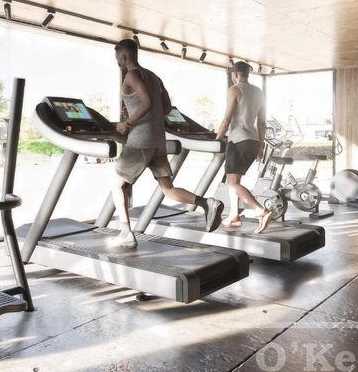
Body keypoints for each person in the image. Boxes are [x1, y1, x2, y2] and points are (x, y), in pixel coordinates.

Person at [110, 39, 223, 249]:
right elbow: (166, 108)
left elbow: (147, 102)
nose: (118, 61)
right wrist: (143, 115)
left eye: (118, 58)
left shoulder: (131, 75)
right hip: (158, 139)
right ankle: (206, 203)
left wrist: (128, 123)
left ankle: (126, 234)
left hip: (140, 141)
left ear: (123, 57)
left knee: (117, 185)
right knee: (167, 188)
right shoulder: (154, 77)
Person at [214, 61, 271, 233]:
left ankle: (261, 210)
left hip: (238, 141)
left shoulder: (234, 89)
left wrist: (216, 140)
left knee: (232, 182)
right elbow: (261, 122)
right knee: (235, 180)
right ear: (247, 74)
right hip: (253, 142)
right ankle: (234, 215)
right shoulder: (259, 92)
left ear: (235, 74)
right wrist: (261, 145)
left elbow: (227, 119)